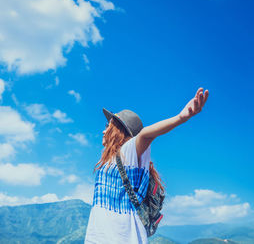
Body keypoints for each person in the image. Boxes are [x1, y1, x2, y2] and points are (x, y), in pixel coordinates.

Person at [84, 88, 209, 243]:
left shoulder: (127, 153)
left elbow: (145, 135)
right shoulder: (111, 161)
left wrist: (181, 117)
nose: (103, 131)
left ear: (119, 131)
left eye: (108, 126)